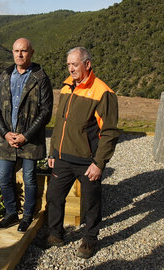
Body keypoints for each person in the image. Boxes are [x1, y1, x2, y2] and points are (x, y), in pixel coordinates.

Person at [46, 47, 119, 258]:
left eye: (74, 64)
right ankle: (55, 234)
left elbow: (110, 132)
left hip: (88, 162)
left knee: (91, 203)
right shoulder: (67, 87)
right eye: (68, 65)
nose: (71, 69)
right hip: (61, 158)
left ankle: (89, 241)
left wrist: (99, 163)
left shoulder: (103, 92)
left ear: (87, 64)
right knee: (53, 197)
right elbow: (59, 124)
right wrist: (53, 152)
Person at [0, 38, 53, 233]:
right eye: (16, 51)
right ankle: (10, 213)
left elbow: (46, 112)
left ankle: (27, 216)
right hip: (7, 139)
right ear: (12, 52)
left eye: (23, 51)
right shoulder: (4, 76)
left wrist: (25, 136)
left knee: (30, 179)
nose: (19, 54)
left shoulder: (40, 78)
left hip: (30, 141)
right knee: (3, 178)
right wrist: (5, 133)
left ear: (31, 52)